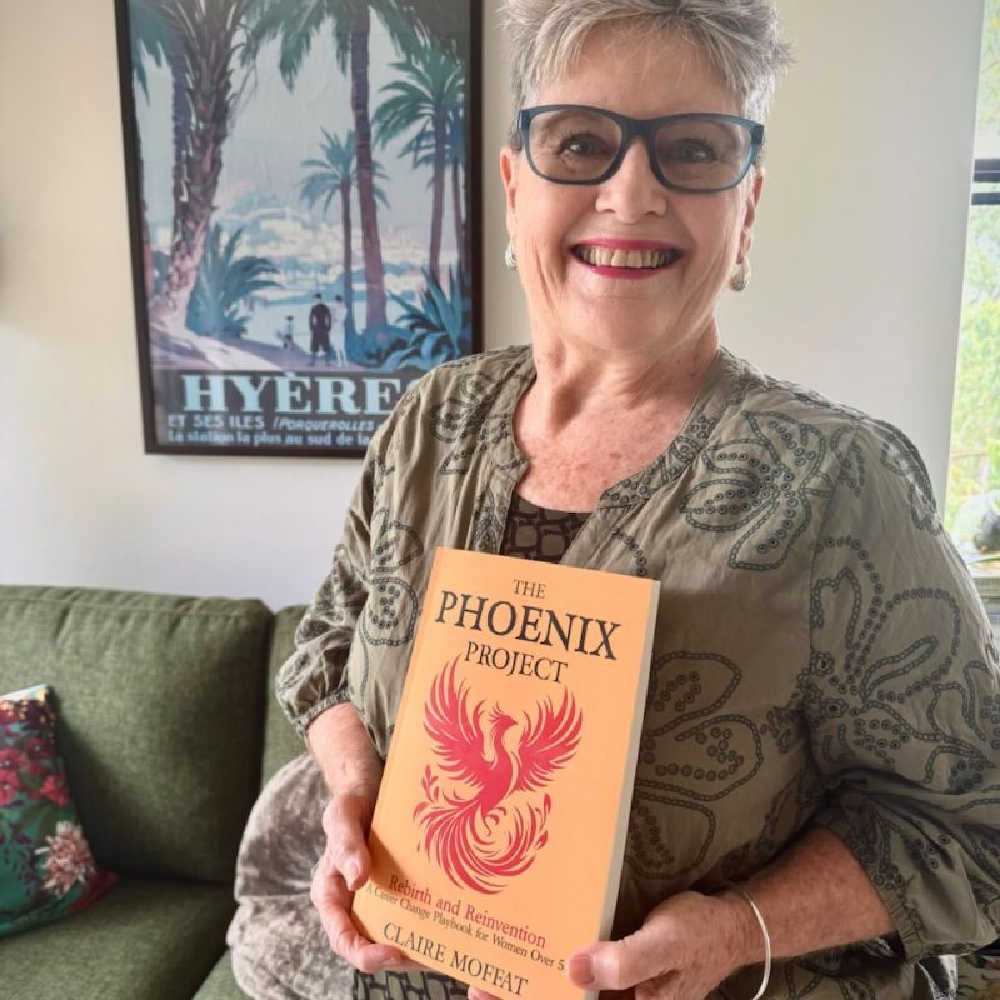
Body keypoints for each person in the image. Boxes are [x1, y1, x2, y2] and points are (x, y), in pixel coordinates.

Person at [227, 2, 1000, 999]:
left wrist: (738, 930)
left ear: (747, 207)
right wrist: (354, 793)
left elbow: (972, 825)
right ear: (515, 187)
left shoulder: (841, 483)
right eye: (581, 143)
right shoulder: (429, 420)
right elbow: (328, 648)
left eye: (693, 148)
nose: (631, 193)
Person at [309, 292, 332, 365]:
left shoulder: (315, 307)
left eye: (316, 299)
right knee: (322, 346)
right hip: (322, 328)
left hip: (318, 328)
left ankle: (314, 362)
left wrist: (311, 327)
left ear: (318, 299)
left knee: (317, 346)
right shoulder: (325, 307)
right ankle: (326, 362)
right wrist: (328, 327)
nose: (316, 300)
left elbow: (311, 319)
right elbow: (329, 318)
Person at [329, 294, 348, 366]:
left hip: (335, 327)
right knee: (342, 346)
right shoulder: (344, 308)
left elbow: (333, 318)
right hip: (342, 327)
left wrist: (330, 329)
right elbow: (343, 319)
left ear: (336, 300)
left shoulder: (334, 308)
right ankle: (345, 361)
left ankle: (339, 362)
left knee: (337, 346)